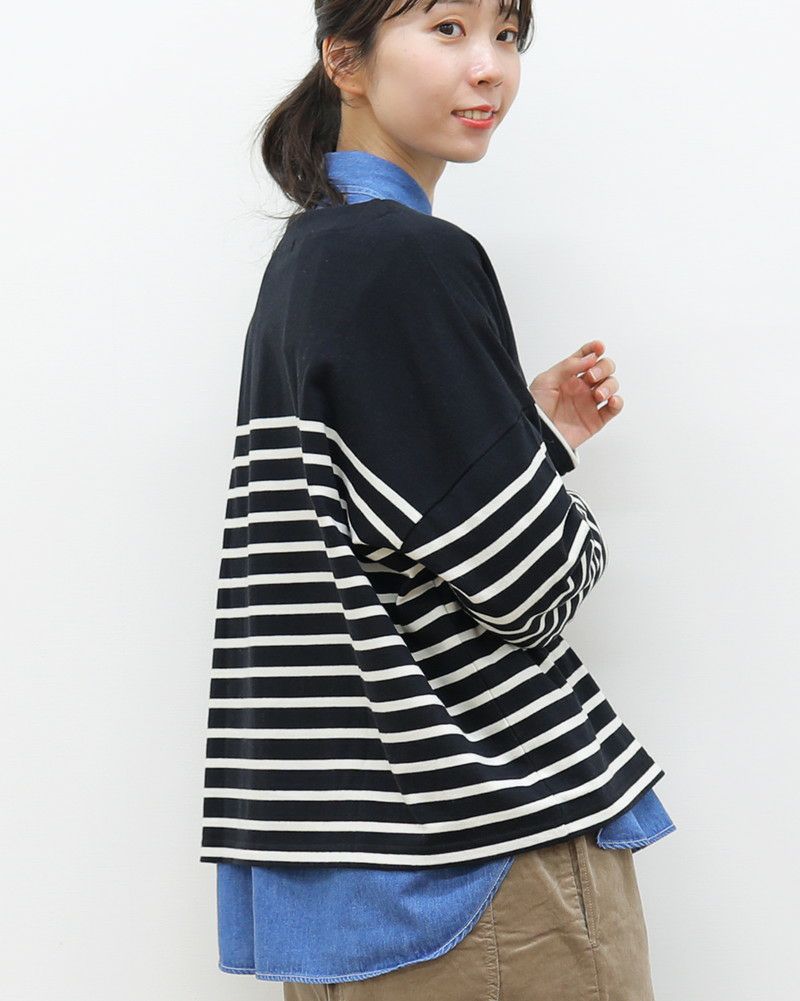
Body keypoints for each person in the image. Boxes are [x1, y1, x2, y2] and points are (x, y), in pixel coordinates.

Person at [200, 2, 677, 999]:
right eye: (448, 28)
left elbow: (376, 540)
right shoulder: (407, 257)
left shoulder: (309, 261)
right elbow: (534, 582)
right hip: (487, 873)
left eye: (506, 35)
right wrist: (559, 506)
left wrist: (529, 435)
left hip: (352, 883)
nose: (489, 67)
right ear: (345, 60)